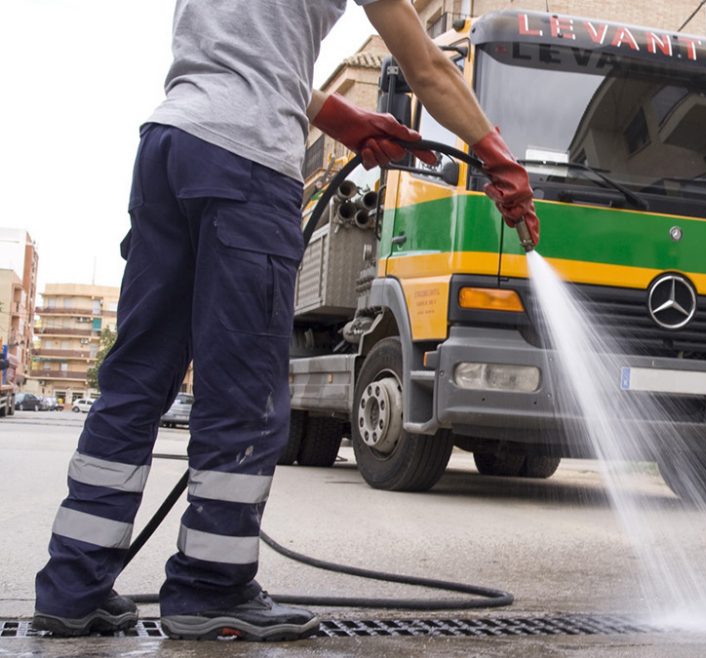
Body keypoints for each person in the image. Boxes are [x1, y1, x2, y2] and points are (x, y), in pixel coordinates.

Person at [32, 0, 539, 642]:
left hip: (168, 145)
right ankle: (209, 588)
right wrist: (496, 156)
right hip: (246, 165)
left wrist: (342, 117)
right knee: (241, 392)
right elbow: (430, 69)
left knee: (133, 381)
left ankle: (71, 589)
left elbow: (239, 58)